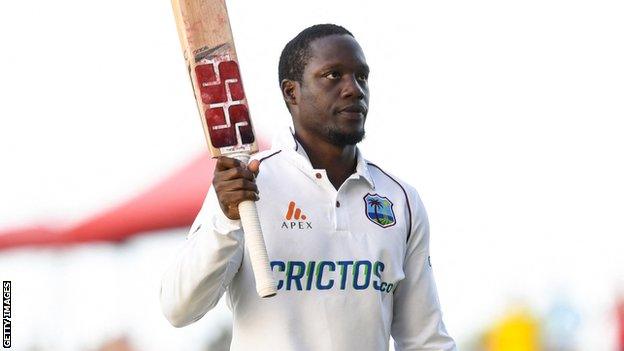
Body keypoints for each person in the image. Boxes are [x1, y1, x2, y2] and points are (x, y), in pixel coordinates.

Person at [160, 24, 456, 351]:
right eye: (333, 75)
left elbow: (425, 340)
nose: (354, 89)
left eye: (362, 76)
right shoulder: (247, 183)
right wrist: (226, 223)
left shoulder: (400, 200)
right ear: (291, 92)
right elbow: (179, 308)